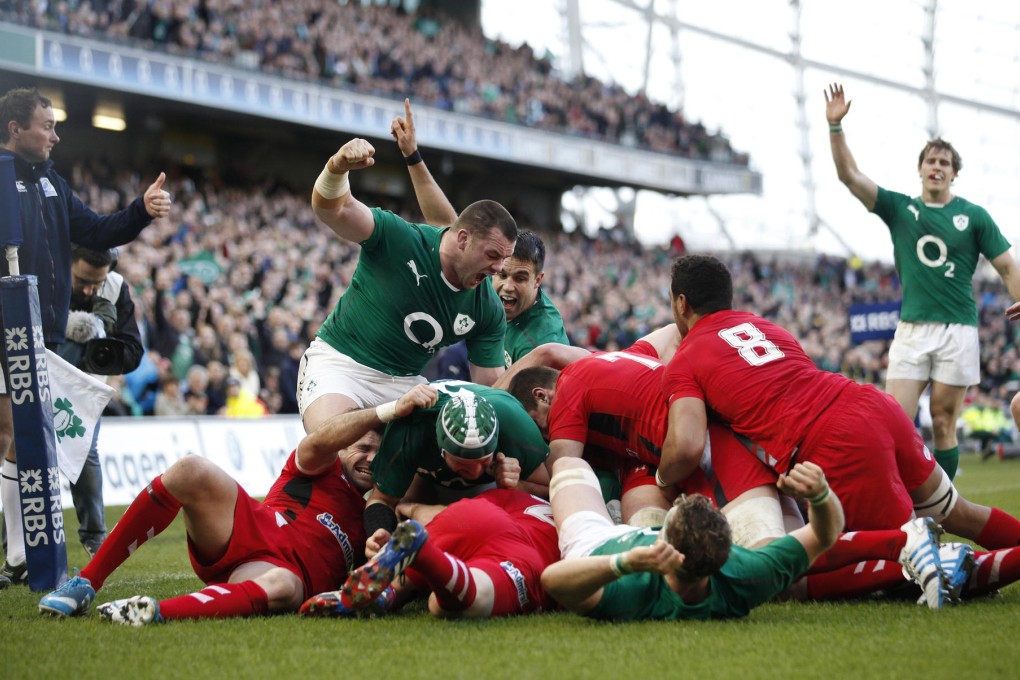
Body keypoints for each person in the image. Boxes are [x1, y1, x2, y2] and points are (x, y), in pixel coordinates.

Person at [658, 254, 1020, 599]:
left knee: (911, 559)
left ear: (681, 303)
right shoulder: (766, 326)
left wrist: (659, 478)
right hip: (871, 404)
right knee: (957, 512)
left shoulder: (685, 358)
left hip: (836, 440)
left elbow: (686, 447)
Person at [0, 87, 170, 588]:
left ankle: (17, 555)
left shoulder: (51, 182)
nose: (55, 135)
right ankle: (19, 553)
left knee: (22, 440)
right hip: (5, 331)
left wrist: (140, 208)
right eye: (46, 126)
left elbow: (98, 230)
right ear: (15, 129)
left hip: (41, 335)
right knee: (15, 432)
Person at [824, 82, 1020, 480]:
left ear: (954, 174)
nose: (937, 166)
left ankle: (940, 511)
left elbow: (1007, 267)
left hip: (958, 329)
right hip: (912, 330)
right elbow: (850, 176)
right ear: (920, 168)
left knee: (944, 421)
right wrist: (835, 128)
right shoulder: (899, 208)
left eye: (945, 163)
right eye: (932, 159)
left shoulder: (975, 216)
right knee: (894, 421)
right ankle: (898, 503)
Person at [35, 419, 381, 625]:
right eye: (363, 447)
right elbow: (319, 439)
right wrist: (389, 410)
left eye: (379, 453)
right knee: (191, 469)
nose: (370, 459)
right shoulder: (320, 464)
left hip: (280, 571)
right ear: (342, 446)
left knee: (281, 587)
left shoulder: (378, 510)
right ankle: (86, 582)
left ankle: (151, 612)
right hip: (250, 526)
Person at [298, 134, 516, 436]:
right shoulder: (400, 239)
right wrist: (337, 167)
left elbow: (492, 391)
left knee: (449, 455)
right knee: (338, 449)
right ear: (464, 239)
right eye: (493, 256)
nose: (498, 270)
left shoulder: (487, 309)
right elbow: (333, 210)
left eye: (504, 260)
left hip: (405, 383)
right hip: (342, 366)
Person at [505, 332, 778, 532]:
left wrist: (511, 479)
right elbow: (672, 330)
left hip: (701, 444)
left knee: (757, 546)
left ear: (542, 396)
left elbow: (562, 474)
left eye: (539, 425)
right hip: (683, 442)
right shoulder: (614, 359)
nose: (546, 434)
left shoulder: (568, 389)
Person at [539, 457, 843, 620]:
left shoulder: (629, 589)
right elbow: (824, 533)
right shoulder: (747, 573)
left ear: (666, 540)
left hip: (598, 545)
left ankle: (613, 505)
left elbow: (553, 580)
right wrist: (821, 495)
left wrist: (623, 562)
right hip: (633, 548)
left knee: (569, 466)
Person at [389, 99, 568, 372]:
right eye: (503, 274)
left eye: (520, 278)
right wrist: (413, 156)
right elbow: (445, 223)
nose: (507, 286)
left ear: (538, 281)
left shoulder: (543, 342)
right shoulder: (484, 276)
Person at [301, 488, 560, 619]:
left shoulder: (513, 495)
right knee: (459, 602)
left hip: (475, 515)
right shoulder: (574, 528)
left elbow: (439, 514)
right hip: (526, 555)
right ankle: (423, 552)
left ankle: (389, 594)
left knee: (435, 589)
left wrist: (409, 507)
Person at [359, 381, 549, 542]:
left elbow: (551, 489)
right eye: (464, 464)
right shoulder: (410, 428)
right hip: (424, 476)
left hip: (488, 485)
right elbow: (381, 499)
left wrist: (512, 485)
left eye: (483, 462)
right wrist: (379, 534)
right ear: (442, 451)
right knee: (405, 519)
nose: (475, 472)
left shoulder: (516, 428)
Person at [57, 245, 144, 558]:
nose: (89, 288)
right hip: (45, 378)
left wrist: (105, 345)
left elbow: (133, 350)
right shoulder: (47, 275)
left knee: (84, 454)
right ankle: (19, 548)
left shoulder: (117, 288)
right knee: (27, 457)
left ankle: (95, 538)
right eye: (82, 280)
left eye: (98, 281)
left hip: (87, 389)